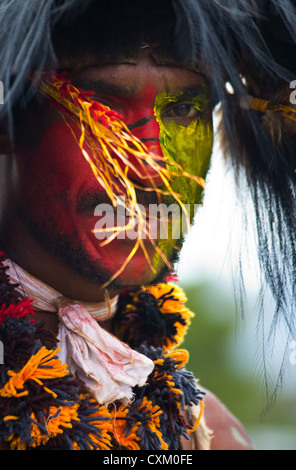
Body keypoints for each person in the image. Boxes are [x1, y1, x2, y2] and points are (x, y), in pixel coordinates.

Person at [1, 0, 294, 451]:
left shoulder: (206, 433)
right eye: (102, 106)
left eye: (183, 111)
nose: (152, 168)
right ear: (9, 122)